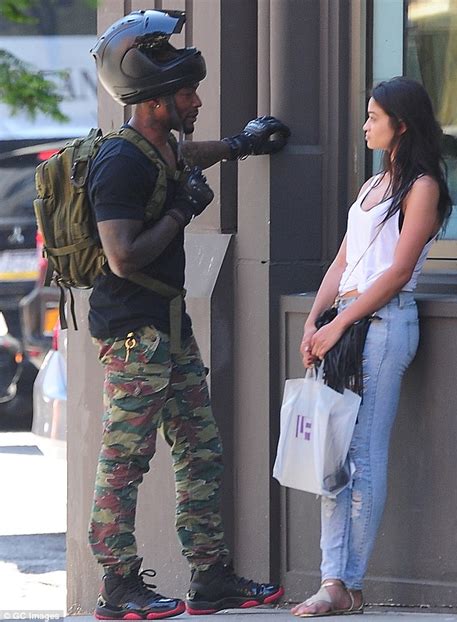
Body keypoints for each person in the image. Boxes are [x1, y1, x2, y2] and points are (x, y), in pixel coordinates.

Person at [87, 9, 289, 621]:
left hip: (170, 332)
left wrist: (241, 145)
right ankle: (118, 588)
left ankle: (211, 579)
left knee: (200, 453)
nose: (197, 100)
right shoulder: (119, 163)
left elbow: (186, 156)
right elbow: (122, 257)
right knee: (125, 463)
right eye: (186, 92)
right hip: (133, 337)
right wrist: (180, 212)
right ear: (152, 103)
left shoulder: (161, 146)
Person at [292, 76, 452, 617]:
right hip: (349, 320)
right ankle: (333, 580)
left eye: (373, 117)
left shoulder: (422, 186)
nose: (364, 125)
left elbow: (399, 270)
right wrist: (316, 318)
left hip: (384, 326)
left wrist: (337, 326)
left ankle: (344, 583)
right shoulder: (371, 186)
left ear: (401, 125)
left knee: (361, 454)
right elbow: (343, 260)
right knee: (332, 452)